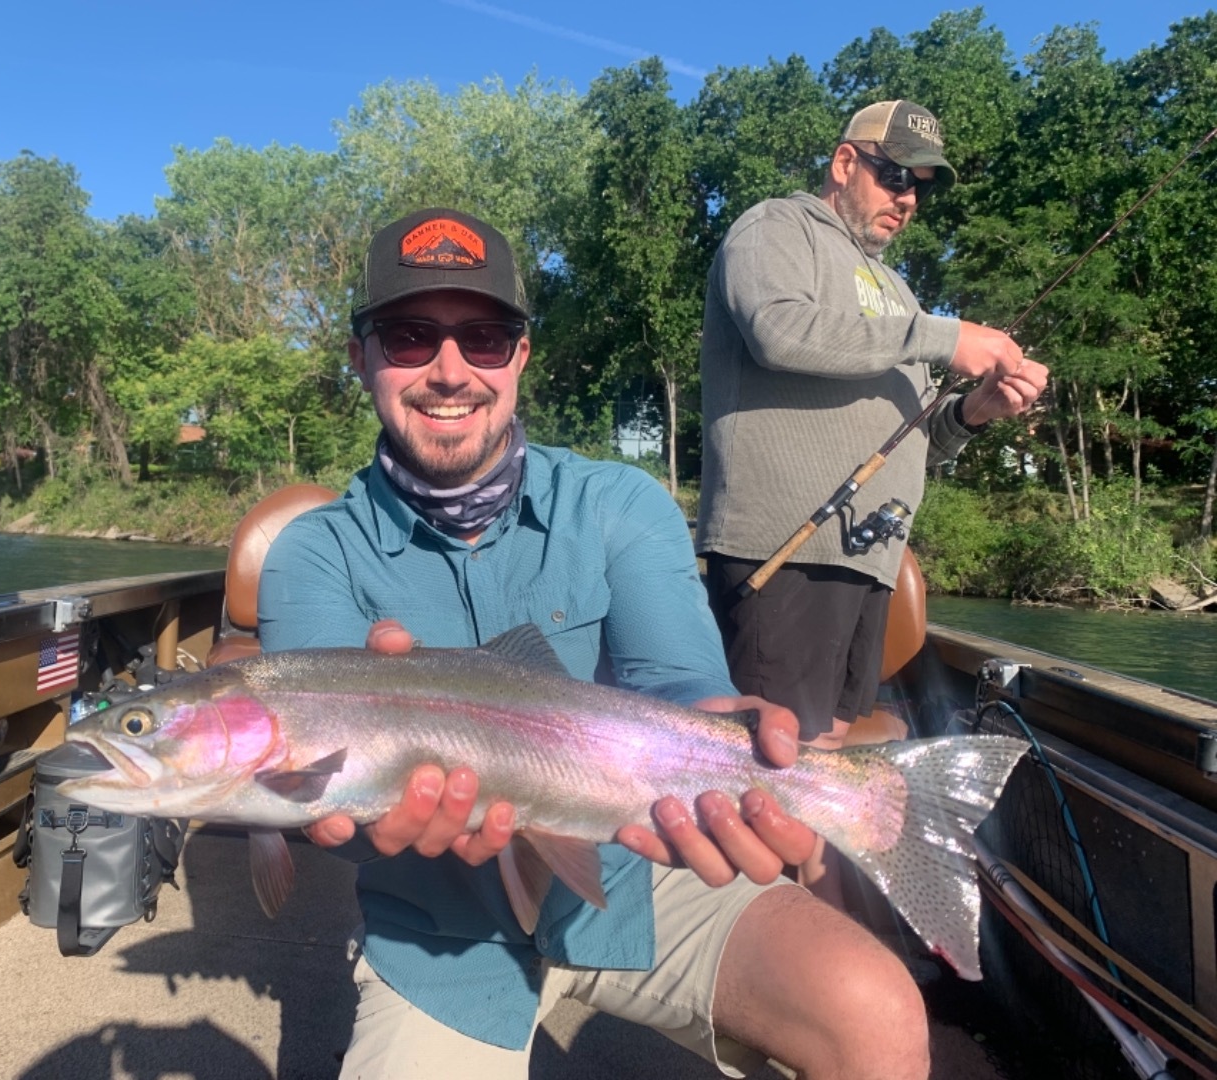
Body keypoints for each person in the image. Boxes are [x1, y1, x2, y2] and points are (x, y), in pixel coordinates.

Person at [256, 207, 930, 1079]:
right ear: (362, 359)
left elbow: (683, 681)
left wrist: (727, 724)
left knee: (875, 1014)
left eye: (486, 339)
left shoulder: (619, 503)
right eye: (410, 336)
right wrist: (345, 820)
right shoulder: (313, 551)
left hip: (644, 866)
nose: (449, 371)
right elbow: (332, 811)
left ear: (521, 356)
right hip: (436, 934)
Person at [695, 101, 1048, 897]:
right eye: (895, 175)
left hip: (864, 560)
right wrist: (945, 336)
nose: (909, 197)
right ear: (844, 163)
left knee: (826, 754)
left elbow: (916, 437)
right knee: (773, 768)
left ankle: (818, 929)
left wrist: (970, 415)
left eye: (922, 186)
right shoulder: (774, 229)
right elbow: (779, 332)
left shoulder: (893, 289)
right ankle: (756, 948)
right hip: (785, 547)